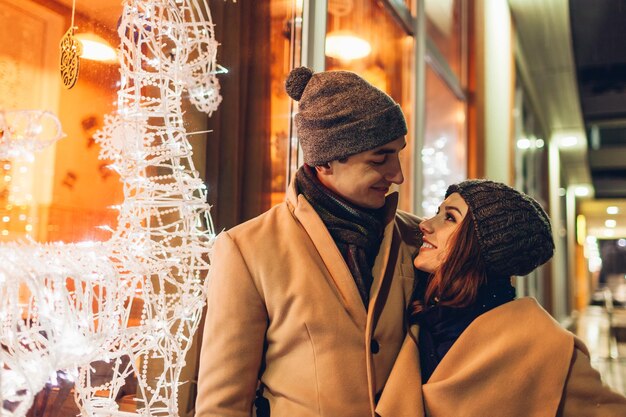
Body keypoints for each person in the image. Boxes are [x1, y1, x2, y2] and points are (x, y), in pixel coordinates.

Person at [195, 66, 422, 417]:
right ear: (325, 161)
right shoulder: (247, 249)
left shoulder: (418, 239)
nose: (398, 175)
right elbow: (223, 405)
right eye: (380, 159)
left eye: (398, 153)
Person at [375, 179, 626, 417]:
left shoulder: (544, 346)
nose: (426, 224)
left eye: (449, 217)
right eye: (437, 212)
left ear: (482, 246)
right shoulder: (418, 315)